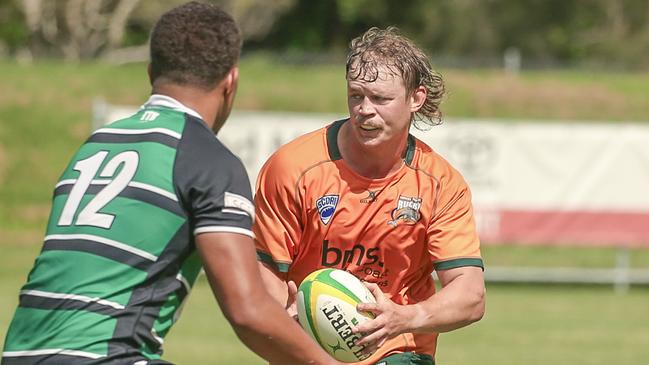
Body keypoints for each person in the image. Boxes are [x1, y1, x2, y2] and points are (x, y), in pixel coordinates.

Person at [1, 2, 342, 365]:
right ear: (231, 81)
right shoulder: (206, 159)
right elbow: (247, 309)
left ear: (151, 73)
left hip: (20, 353)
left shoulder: (98, 143)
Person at [254, 27, 486, 365]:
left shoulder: (440, 184)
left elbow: (470, 294)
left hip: (399, 351)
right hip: (305, 352)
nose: (364, 109)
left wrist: (404, 318)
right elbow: (263, 272)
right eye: (356, 96)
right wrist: (288, 321)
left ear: (416, 99)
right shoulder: (292, 167)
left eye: (380, 98)